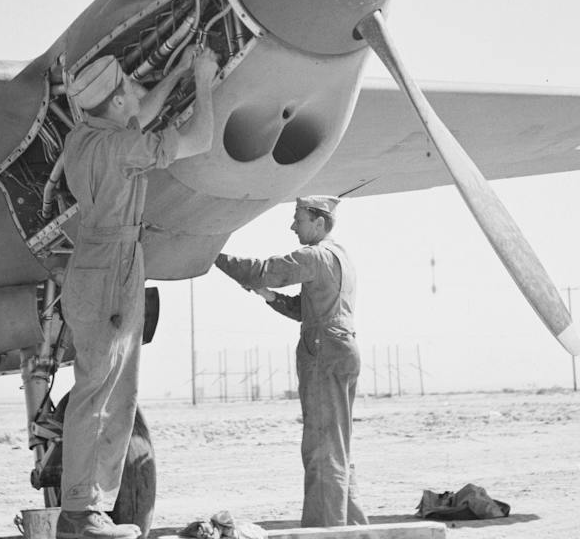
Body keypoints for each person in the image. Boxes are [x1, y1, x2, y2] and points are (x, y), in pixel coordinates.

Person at [57, 45, 218, 539]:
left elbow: (138, 114)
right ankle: (81, 513)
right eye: (129, 86)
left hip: (94, 261)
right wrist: (204, 80)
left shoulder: (84, 138)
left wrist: (178, 72)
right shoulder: (121, 148)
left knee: (104, 390)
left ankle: (88, 509)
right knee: (101, 394)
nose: (135, 90)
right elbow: (201, 139)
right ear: (117, 100)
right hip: (114, 269)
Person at [215, 195, 368, 529]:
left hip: (324, 351)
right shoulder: (339, 256)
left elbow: (263, 271)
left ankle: (325, 530)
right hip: (340, 346)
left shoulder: (314, 256)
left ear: (318, 222)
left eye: (298, 219)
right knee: (336, 443)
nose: (292, 226)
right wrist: (269, 296)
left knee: (321, 446)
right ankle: (351, 526)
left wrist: (213, 254)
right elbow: (305, 310)